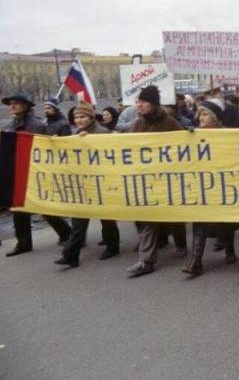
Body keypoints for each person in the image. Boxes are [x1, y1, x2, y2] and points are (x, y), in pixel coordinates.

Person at [1, 93, 72, 257]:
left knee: (43, 207)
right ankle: (23, 243)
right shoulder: (10, 125)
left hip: (35, 172)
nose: (12, 106)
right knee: (18, 208)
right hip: (18, 172)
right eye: (11, 103)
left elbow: (44, 149)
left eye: (16, 103)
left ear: (26, 106)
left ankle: (66, 233)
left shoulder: (37, 125)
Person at [54, 101, 120, 268]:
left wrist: (90, 140)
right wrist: (58, 144)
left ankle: (113, 246)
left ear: (91, 118)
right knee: (79, 219)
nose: (79, 120)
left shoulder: (101, 133)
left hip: (101, 183)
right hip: (83, 184)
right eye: (76, 117)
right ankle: (71, 255)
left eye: (82, 117)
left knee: (107, 218)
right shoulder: (77, 132)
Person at [125, 85, 183, 277]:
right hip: (145, 180)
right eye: (137, 102)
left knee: (174, 216)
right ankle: (146, 260)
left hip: (167, 179)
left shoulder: (170, 123)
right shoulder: (136, 124)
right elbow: (122, 144)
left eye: (142, 102)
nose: (138, 105)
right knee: (147, 216)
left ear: (153, 104)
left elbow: (182, 147)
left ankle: (180, 244)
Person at [181, 100, 239, 276]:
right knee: (199, 221)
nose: (200, 117)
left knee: (225, 222)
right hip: (202, 185)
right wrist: (188, 137)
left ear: (214, 116)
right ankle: (196, 261)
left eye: (205, 114)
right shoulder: (194, 133)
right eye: (199, 114)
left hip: (222, 184)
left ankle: (230, 250)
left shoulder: (226, 134)